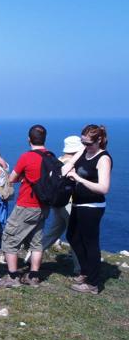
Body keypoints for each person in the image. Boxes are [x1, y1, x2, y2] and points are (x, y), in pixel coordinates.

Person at [0, 125, 50, 289]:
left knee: (10, 239)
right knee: (36, 240)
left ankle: (13, 277)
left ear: (29, 139)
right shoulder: (50, 156)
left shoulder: (27, 157)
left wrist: (24, 176)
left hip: (27, 204)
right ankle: (33, 276)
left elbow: (12, 178)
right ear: (44, 139)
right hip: (43, 206)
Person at [64, 125, 112, 294]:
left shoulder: (103, 158)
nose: (85, 146)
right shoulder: (84, 151)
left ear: (99, 140)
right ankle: (86, 271)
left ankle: (93, 283)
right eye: (83, 142)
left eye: (89, 143)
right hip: (78, 203)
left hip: (93, 206)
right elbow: (68, 165)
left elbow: (104, 188)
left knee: (90, 243)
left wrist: (78, 178)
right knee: (72, 236)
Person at [40, 136, 81, 273]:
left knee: (53, 232)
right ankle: (79, 268)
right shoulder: (72, 164)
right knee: (75, 234)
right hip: (69, 203)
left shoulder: (57, 161)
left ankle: (32, 256)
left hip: (57, 203)